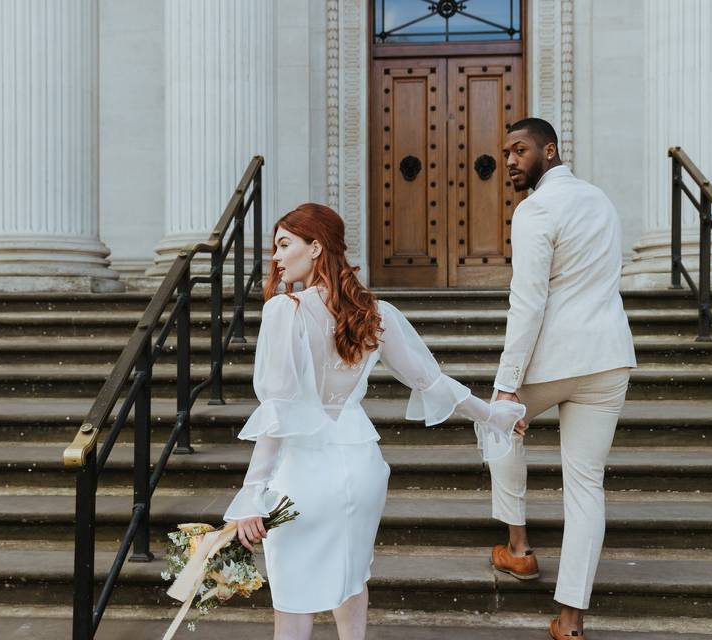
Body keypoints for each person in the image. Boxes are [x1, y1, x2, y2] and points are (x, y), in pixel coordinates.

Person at [223, 203, 526, 640]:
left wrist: (252, 494)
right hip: (361, 467)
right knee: (351, 580)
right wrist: (492, 414)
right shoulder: (376, 313)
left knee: (293, 600)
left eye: (284, 245)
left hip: (304, 473)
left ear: (315, 247)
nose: (275, 257)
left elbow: (280, 412)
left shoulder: (283, 311)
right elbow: (431, 381)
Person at [488, 118, 637, 640]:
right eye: (506, 151)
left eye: (520, 149)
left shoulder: (535, 209)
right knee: (586, 487)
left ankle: (520, 549)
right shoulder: (600, 200)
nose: (510, 160)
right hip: (609, 357)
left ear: (548, 151)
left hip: (554, 360)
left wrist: (508, 386)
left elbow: (527, 302)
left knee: (495, 424)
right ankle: (570, 623)